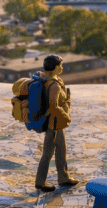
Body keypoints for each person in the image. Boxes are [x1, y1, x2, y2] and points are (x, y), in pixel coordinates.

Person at [34, 55, 79, 192]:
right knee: (49, 153)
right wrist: (66, 116)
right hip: (54, 126)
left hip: (55, 124)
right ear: (54, 67)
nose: (62, 67)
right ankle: (42, 182)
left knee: (60, 151)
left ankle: (62, 177)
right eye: (60, 65)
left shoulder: (53, 80)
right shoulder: (54, 85)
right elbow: (54, 106)